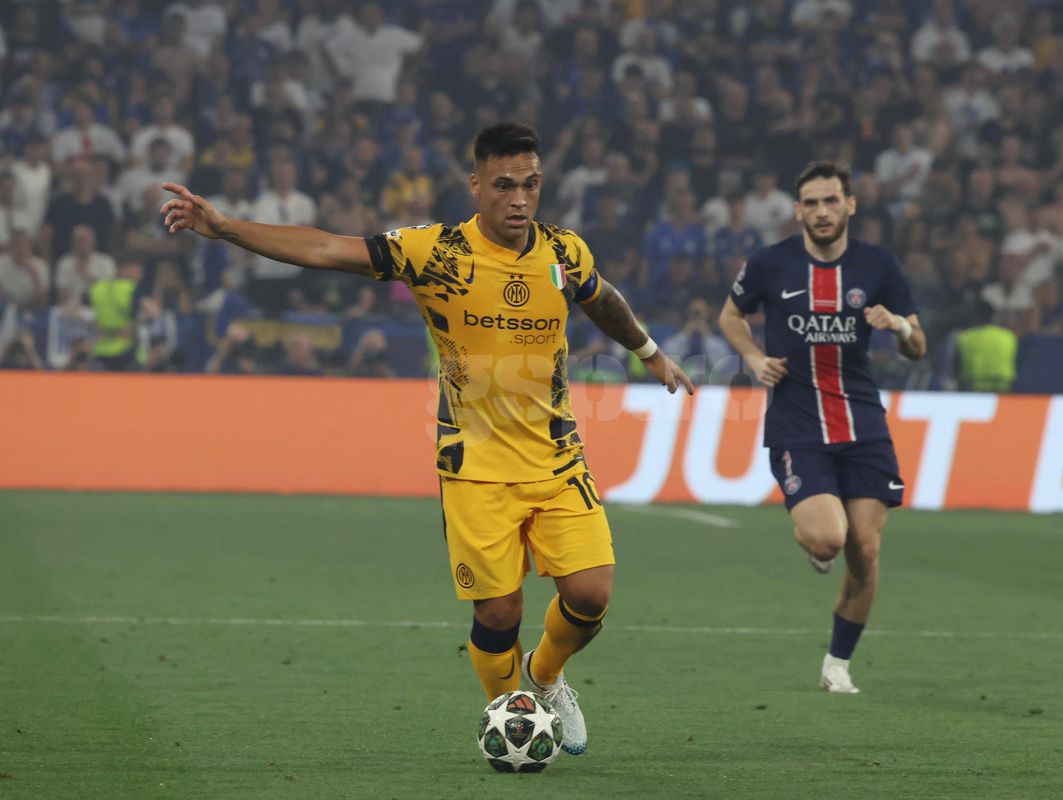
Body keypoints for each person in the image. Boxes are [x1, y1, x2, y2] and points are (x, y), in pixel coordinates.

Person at [161, 122, 693, 755]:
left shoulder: (564, 252)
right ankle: (509, 715)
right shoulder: (434, 252)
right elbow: (326, 248)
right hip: (473, 465)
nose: (519, 199)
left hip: (556, 458)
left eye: (531, 185)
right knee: (498, 614)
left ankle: (546, 677)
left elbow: (601, 298)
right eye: (504, 185)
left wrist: (649, 351)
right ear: (476, 186)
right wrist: (225, 227)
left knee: (591, 595)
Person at [717, 161, 927, 694]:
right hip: (797, 425)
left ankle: (838, 663)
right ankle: (816, 546)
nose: (822, 212)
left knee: (866, 551)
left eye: (831, 200)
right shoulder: (771, 263)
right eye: (811, 203)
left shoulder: (878, 265)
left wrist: (898, 326)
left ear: (850, 204)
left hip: (862, 424)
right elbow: (730, 316)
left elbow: (918, 344)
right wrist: (753, 358)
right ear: (798, 211)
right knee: (830, 538)